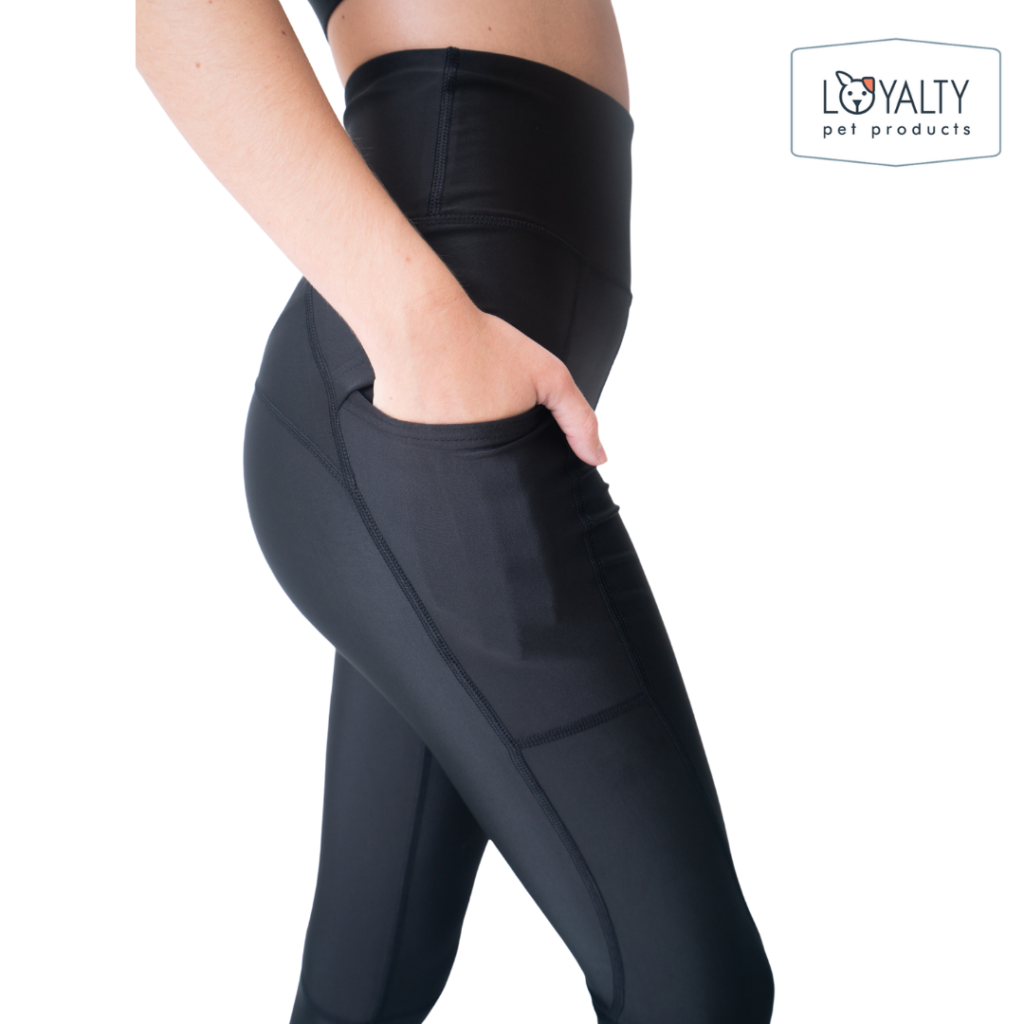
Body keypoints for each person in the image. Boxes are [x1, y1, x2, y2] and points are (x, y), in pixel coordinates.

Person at [136, 2, 775, 1022]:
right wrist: (425, 333)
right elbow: (179, 23)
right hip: (424, 420)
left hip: (438, 425)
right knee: (695, 987)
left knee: (364, 981)